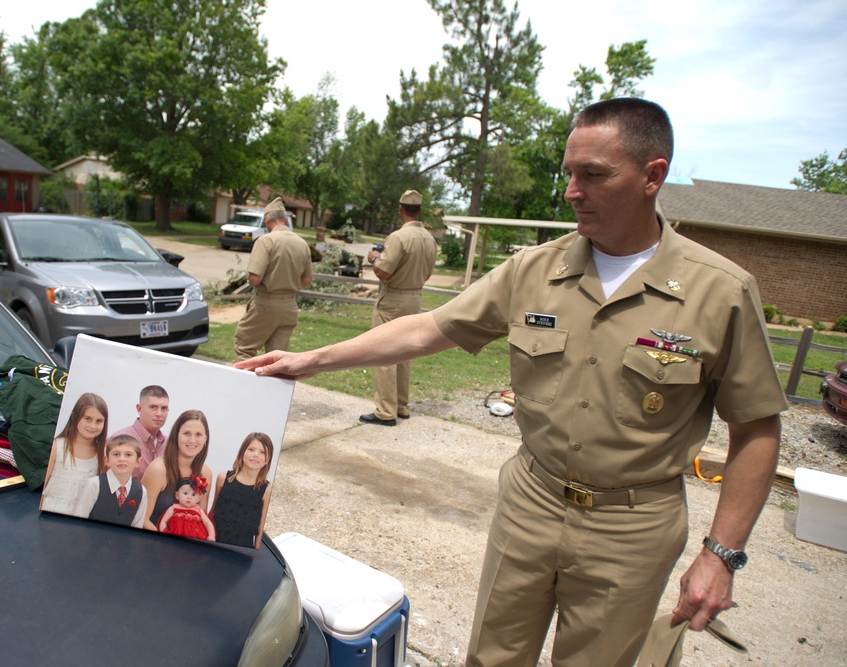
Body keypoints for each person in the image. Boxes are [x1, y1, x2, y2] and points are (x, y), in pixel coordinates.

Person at [236, 98, 787, 667]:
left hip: (633, 525)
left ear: (653, 176)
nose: (573, 190)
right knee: (493, 657)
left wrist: (721, 554)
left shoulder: (720, 291)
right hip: (531, 500)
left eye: (594, 174)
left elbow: (756, 428)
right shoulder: (534, 270)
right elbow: (429, 329)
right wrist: (312, 360)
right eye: (569, 173)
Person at [359, 189, 437, 426]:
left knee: (383, 351)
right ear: (420, 210)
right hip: (414, 297)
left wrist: (374, 257)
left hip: (392, 299)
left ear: (400, 209)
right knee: (406, 351)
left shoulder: (398, 237)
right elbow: (429, 273)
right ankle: (401, 405)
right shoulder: (429, 239)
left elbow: (383, 271)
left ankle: (385, 411)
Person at [233, 197, 313, 361]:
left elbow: (255, 278)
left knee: (244, 349)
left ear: (267, 220)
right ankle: (271, 386)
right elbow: (306, 281)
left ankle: (246, 386)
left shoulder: (266, 240)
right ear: (285, 220)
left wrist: (252, 277)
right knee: (276, 358)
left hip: (266, 303)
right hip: (290, 306)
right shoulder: (302, 243)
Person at [140, 409, 213, 531]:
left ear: (205, 438)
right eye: (186, 433)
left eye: (198, 435)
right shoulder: (158, 469)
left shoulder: (205, 473)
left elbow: (201, 518)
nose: (192, 440)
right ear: (176, 435)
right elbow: (142, 518)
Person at [40, 392, 108, 516]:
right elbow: (42, 485)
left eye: (99, 421)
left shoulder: (102, 456)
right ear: (74, 417)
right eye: (88, 419)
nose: (93, 426)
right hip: (50, 515)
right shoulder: (58, 446)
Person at [210, 432, 274, 549]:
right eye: (251, 449)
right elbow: (212, 512)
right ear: (242, 452)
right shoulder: (223, 478)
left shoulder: (266, 489)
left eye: (262, 452)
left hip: (243, 549)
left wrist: (256, 550)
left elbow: (260, 526)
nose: (255, 455)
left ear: (267, 459)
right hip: (215, 543)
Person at [73, 434, 148, 528]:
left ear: (138, 462)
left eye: (128, 455)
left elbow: (137, 526)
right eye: (116, 454)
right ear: (106, 460)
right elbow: (78, 521)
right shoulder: (94, 484)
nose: (122, 459)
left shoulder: (141, 491)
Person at [109, 385, 170, 481]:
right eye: (153, 407)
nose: (159, 414)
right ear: (139, 409)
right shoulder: (118, 439)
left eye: (164, 408)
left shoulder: (169, 444)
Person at [158, 475, 215, 540]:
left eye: (193, 495)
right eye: (185, 493)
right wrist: (163, 532)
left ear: (198, 499)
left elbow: (208, 523)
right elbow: (163, 521)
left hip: (196, 538)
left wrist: (211, 535)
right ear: (177, 495)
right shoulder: (174, 508)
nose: (189, 497)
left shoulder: (198, 509)